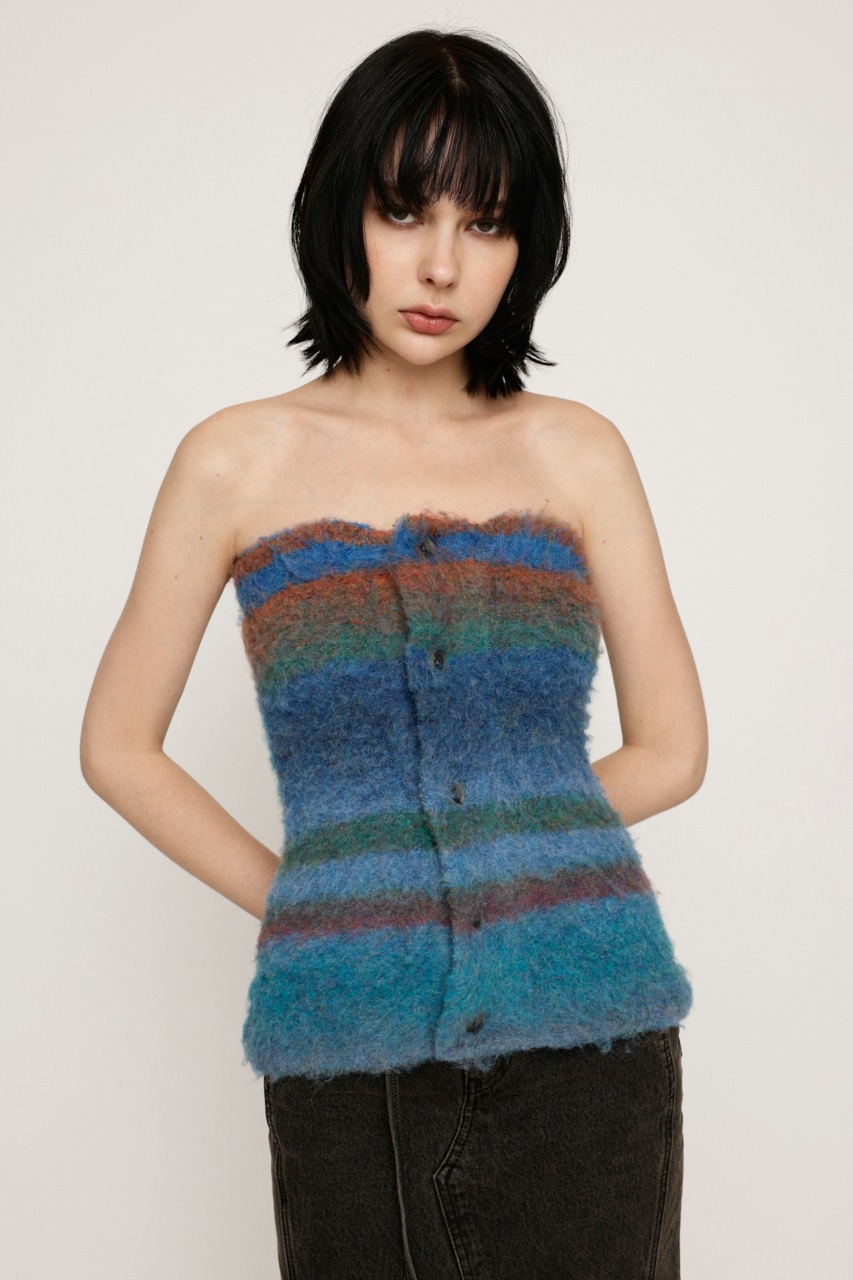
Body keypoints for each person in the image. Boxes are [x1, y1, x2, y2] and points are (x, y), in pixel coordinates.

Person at [81, 26, 708, 1280]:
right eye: (402, 210)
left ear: (528, 245)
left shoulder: (577, 452)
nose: (440, 264)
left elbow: (673, 748)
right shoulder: (235, 459)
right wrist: (323, 892)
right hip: (345, 1052)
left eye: (487, 223)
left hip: (589, 1049)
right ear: (340, 212)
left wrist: (492, 849)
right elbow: (117, 745)